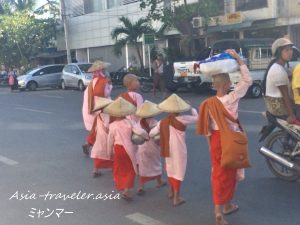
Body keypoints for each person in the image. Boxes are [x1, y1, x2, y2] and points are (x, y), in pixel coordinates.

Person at [197, 49, 252, 225]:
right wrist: (238, 59)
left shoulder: (207, 104)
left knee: (218, 174)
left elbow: (206, 131)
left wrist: (210, 145)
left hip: (216, 141)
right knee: (232, 171)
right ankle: (227, 205)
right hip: (232, 140)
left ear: (214, 85)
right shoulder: (233, 98)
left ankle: (219, 210)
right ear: (228, 84)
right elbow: (248, 81)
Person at [149, 94, 198, 207]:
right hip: (179, 150)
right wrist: (191, 108)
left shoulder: (162, 122)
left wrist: (159, 137)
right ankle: (176, 197)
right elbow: (198, 118)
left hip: (167, 149)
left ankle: (171, 192)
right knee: (178, 172)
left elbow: (152, 133)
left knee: (170, 170)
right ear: (180, 108)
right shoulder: (183, 119)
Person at [105, 97, 145, 200]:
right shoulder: (129, 122)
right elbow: (140, 132)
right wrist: (146, 137)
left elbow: (110, 141)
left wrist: (109, 153)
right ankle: (126, 190)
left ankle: (122, 185)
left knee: (119, 167)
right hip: (130, 149)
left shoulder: (112, 125)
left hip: (118, 149)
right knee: (130, 169)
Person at [135, 100, 166, 195]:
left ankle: (141, 186)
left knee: (143, 166)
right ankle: (159, 181)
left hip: (142, 146)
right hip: (153, 146)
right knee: (156, 163)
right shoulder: (155, 122)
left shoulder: (138, 123)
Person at [82, 60, 112, 156]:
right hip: (99, 108)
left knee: (96, 129)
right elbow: (104, 94)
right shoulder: (103, 81)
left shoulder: (93, 82)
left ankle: (88, 143)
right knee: (103, 128)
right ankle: (101, 149)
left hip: (90, 108)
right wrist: (110, 86)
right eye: (104, 69)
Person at [263, 38, 295, 123]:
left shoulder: (280, 66)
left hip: (276, 104)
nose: (290, 52)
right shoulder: (277, 70)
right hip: (279, 107)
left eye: (291, 49)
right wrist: (291, 115)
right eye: (286, 50)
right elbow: (285, 95)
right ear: (279, 52)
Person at [88, 97, 113, 177]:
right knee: (111, 152)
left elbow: (94, 129)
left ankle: (95, 170)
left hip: (100, 137)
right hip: (108, 137)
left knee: (98, 154)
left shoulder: (98, 116)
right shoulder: (110, 115)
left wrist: (92, 139)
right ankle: (113, 167)